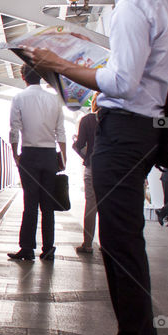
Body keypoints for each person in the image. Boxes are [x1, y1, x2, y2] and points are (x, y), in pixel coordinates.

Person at [22, 0, 168, 335]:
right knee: (126, 240)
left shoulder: (132, 6)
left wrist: (61, 64)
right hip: (146, 128)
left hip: (126, 131)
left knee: (119, 243)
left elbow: (121, 82)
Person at [7, 65, 67, 262]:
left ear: (23, 77)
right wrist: (63, 158)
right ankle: (48, 249)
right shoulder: (54, 99)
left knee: (30, 204)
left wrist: (16, 154)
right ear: (41, 77)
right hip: (50, 155)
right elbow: (61, 132)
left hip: (30, 155)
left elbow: (14, 129)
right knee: (47, 205)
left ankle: (27, 249)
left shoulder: (19, 98)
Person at [72, 93, 99, 253]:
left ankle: (87, 244)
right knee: (108, 206)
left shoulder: (88, 120)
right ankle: (108, 246)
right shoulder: (117, 120)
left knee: (91, 205)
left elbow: (79, 145)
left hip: (92, 167)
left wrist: (86, 155)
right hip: (112, 169)